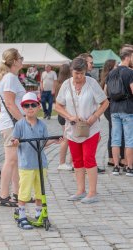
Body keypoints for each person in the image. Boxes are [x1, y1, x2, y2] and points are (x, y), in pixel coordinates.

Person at [55, 57, 109, 204]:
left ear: (85, 71)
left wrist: (94, 116)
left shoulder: (92, 84)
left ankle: (92, 192)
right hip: (73, 130)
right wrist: (69, 116)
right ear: (71, 71)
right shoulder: (66, 85)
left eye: (80, 73)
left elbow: (105, 102)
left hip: (90, 129)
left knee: (88, 158)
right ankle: (80, 190)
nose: (77, 76)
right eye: (75, 73)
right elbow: (58, 106)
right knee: (77, 160)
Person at [12, 92, 60, 230]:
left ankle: (39, 213)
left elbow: (44, 142)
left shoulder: (42, 125)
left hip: (41, 164)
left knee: (40, 191)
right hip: (26, 164)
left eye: (33, 105)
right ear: (23, 108)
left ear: (38, 107)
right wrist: (15, 142)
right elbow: (14, 140)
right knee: (25, 191)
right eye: (26, 106)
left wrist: (55, 140)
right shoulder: (20, 125)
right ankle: (21, 215)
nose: (30, 108)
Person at [0, 48, 26, 207]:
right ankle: (4, 196)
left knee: (15, 160)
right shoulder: (10, 78)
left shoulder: (10, 77)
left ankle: (18, 193)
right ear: (14, 61)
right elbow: (9, 103)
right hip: (11, 124)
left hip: (10, 122)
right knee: (11, 160)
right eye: (20, 58)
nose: (22, 60)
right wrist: (24, 121)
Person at [106, 49, 133, 176]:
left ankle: (116, 167)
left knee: (115, 139)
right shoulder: (130, 73)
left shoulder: (111, 73)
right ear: (128, 57)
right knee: (129, 139)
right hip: (127, 108)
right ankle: (129, 167)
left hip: (114, 109)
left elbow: (107, 92)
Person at [101, 59, 126, 169]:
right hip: (112, 107)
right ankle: (117, 158)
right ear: (111, 67)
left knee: (113, 133)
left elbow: (104, 93)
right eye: (116, 65)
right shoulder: (111, 77)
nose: (118, 66)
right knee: (117, 134)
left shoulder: (107, 77)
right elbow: (106, 94)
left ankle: (113, 159)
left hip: (109, 108)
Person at [56, 64, 73, 171]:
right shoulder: (66, 84)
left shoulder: (58, 83)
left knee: (68, 138)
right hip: (65, 113)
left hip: (61, 114)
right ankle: (62, 162)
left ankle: (69, 161)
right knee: (67, 139)